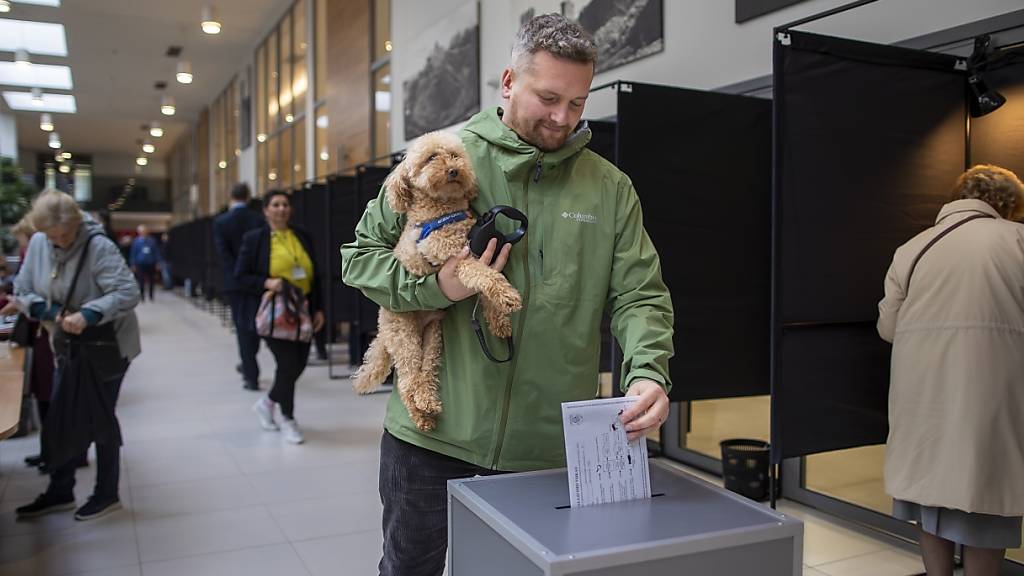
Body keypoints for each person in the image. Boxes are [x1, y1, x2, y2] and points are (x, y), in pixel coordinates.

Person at [341, 14, 674, 576]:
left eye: (577, 102)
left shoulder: (610, 189)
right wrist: (435, 286)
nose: (561, 118)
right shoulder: (442, 156)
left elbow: (639, 294)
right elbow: (360, 257)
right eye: (548, 97)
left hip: (546, 450)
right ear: (508, 81)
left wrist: (648, 372)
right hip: (431, 439)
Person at [878, 164, 1024, 576]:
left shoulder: (912, 248)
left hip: (920, 395)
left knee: (930, 501)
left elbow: (888, 328)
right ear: (1009, 204)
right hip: (990, 392)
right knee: (984, 503)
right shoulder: (1017, 240)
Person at [12, 189, 141, 521]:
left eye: (65, 235)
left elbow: (128, 291)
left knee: (99, 415)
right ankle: (60, 490)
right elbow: (22, 290)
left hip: (105, 346)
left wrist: (90, 313)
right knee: (62, 414)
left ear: (77, 224)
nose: (60, 243)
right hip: (67, 346)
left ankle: (106, 493)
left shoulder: (98, 246)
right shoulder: (40, 243)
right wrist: (49, 309)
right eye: (52, 237)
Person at [236, 190, 324, 444]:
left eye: (285, 204)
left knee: (299, 364)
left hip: (303, 311)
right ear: (265, 210)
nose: (281, 209)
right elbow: (239, 276)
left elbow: (315, 276)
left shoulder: (302, 236)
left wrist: (319, 309)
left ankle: (267, 402)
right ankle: (288, 419)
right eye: (275, 204)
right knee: (287, 366)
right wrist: (266, 282)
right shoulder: (255, 240)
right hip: (276, 313)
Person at [213, 183, 266, 391]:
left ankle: (250, 371)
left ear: (231, 196)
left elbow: (223, 254)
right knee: (257, 323)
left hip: (235, 283)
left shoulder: (221, 222)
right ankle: (248, 363)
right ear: (248, 196)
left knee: (242, 326)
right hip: (257, 281)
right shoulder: (258, 219)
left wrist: (236, 275)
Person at [129, 225, 161, 301]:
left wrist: (158, 262)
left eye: (144, 231)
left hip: (150, 263)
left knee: (151, 280)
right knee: (141, 280)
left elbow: (156, 252)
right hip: (140, 263)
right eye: (141, 231)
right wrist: (133, 264)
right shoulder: (136, 241)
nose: (143, 233)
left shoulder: (152, 241)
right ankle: (142, 296)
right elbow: (133, 253)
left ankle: (151, 295)